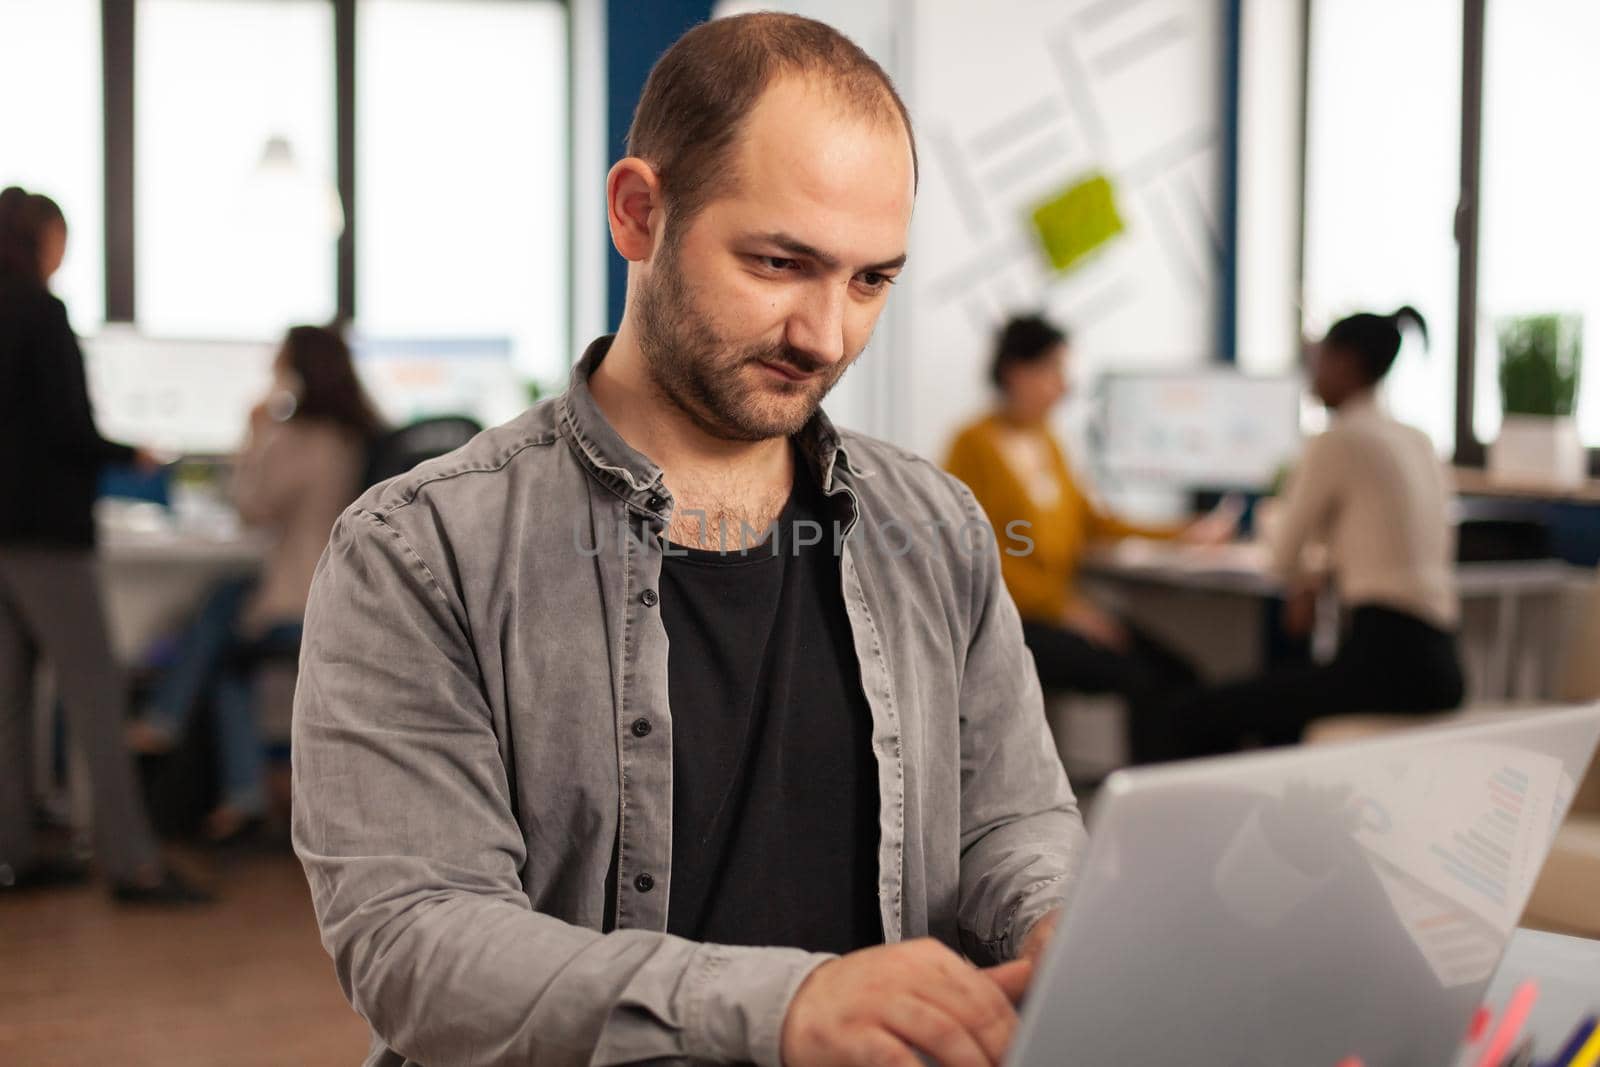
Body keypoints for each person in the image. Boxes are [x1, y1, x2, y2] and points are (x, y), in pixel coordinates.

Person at [292, 15, 1084, 1067]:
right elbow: (414, 942)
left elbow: (1006, 818)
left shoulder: (935, 528)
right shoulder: (421, 550)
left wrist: (1056, 917)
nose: (826, 335)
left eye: (869, 280)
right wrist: (781, 1005)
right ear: (638, 213)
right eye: (778, 262)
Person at [0, 186, 207, 903]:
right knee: (94, 694)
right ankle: (133, 863)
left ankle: (14, 853)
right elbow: (68, 430)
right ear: (41, 241)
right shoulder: (42, 311)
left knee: (10, 705)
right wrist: (134, 455)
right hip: (47, 538)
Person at [127, 324, 379, 841]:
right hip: (346, 597)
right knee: (224, 647)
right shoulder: (358, 436)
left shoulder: (303, 437)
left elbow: (251, 508)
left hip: (302, 601)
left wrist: (254, 430)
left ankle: (167, 721)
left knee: (220, 613)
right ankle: (238, 793)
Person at [1176, 307, 1464, 755]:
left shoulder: (1337, 440)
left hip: (1388, 660)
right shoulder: (1417, 438)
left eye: (1320, 356)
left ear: (1345, 362)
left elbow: (1280, 559)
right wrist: (1314, 576)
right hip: (1442, 662)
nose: (1312, 369)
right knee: (1282, 697)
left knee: (1199, 713)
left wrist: (1303, 575)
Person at [945, 315, 1227, 764]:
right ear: (1018, 371)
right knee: (1142, 681)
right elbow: (973, 554)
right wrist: (1066, 611)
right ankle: (1146, 807)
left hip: (1064, 611)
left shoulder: (1049, 443)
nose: (1065, 386)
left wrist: (1183, 531)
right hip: (1013, 619)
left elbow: (1097, 524)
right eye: (1054, 371)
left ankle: (1186, 797)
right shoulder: (972, 445)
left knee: (1182, 673)